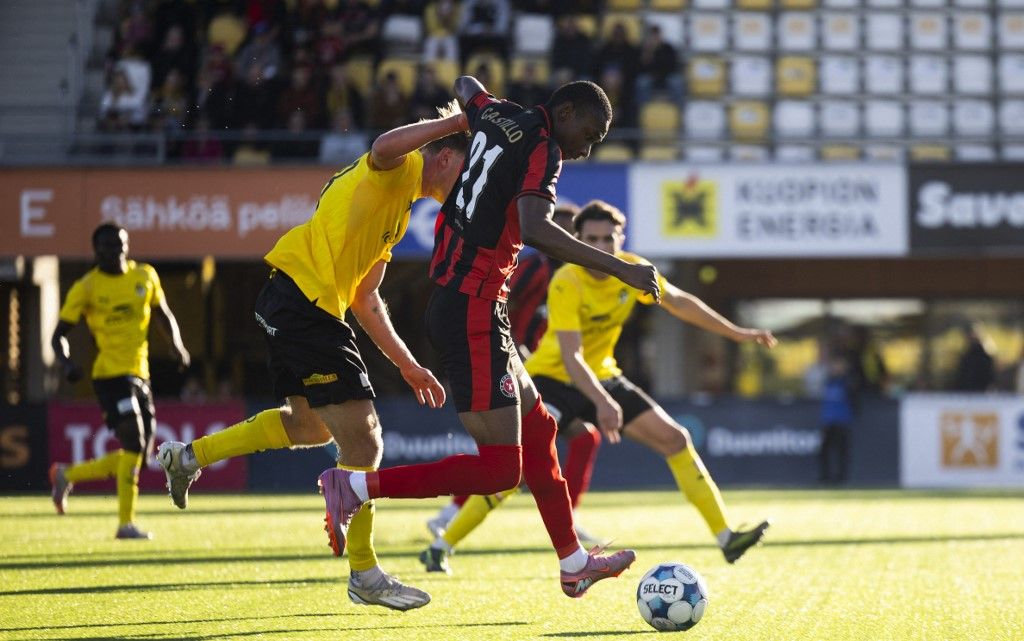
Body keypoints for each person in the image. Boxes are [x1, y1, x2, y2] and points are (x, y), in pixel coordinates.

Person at [316, 75, 661, 600]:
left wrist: (474, 111)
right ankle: (355, 485)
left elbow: (465, 83)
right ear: (564, 111)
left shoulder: (496, 112)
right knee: (502, 469)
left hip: (471, 304)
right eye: (588, 135)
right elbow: (538, 229)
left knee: (541, 428)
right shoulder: (544, 150)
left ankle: (573, 562)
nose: (587, 150)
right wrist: (619, 268)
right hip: (472, 309)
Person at [156, 104, 470, 611]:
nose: (467, 182)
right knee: (366, 442)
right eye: (467, 166)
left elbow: (366, 299)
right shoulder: (403, 164)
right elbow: (384, 146)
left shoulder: (401, 210)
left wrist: (408, 365)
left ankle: (188, 457)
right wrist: (457, 122)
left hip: (294, 301)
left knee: (308, 428)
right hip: (305, 303)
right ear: (446, 157)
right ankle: (365, 573)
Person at [418, 201, 775, 573]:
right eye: (593, 239)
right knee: (517, 469)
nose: (602, 247)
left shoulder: (633, 270)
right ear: (578, 240)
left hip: (603, 375)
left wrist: (737, 333)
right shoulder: (567, 281)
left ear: (621, 240)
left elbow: (679, 302)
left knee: (676, 439)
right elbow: (572, 357)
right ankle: (441, 545)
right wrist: (603, 403)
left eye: (609, 239)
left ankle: (726, 537)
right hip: (552, 380)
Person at [425, 204, 607, 545]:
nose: (568, 238)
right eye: (562, 230)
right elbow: (498, 302)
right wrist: (510, 348)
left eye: (573, 233)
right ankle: (448, 519)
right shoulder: (536, 267)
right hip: (515, 365)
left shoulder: (576, 278)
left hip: (538, 371)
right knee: (514, 454)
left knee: (577, 439)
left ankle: (567, 517)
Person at [49, 223, 190, 540]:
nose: (114, 252)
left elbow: (163, 313)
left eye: (119, 246)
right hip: (110, 377)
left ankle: (67, 474)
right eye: (107, 247)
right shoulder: (87, 287)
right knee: (133, 440)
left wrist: (176, 345)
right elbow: (59, 336)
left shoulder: (145, 276)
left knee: (138, 454)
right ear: (96, 251)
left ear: (127, 246)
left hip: (141, 374)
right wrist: (67, 363)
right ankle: (126, 525)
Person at [819, 353, 853, 484]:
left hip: (842, 421)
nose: (835, 368)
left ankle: (841, 477)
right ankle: (825, 476)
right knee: (824, 450)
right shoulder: (828, 381)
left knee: (841, 450)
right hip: (828, 420)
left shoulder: (848, 382)